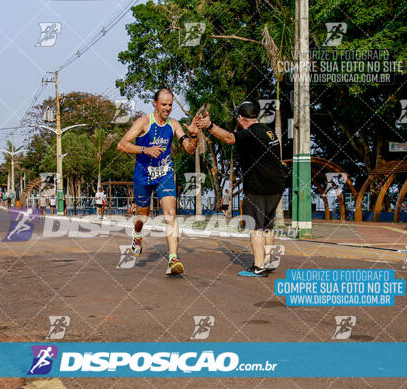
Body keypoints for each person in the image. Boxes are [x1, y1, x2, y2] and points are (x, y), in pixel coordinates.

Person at [197, 101, 287, 277]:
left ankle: (258, 266)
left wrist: (210, 126)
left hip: (258, 187)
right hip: (276, 186)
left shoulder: (250, 133)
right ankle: (267, 261)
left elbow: (229, 138)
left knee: (255, 227)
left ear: (240, 118)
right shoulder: (268, 131)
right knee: (268, 225)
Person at [117, 88, 199, 276]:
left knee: (170, 213)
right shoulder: (144, 122)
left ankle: (173, 259)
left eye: (170, 104)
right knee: (142, 218)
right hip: (143, 177)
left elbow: (189, 149)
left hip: (165, 175)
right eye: (164, 104)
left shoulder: (174, 125)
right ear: (155, 103)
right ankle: (137, 235)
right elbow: (121, 145)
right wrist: (145, 150)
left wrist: (193, 135)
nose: (168, 108)